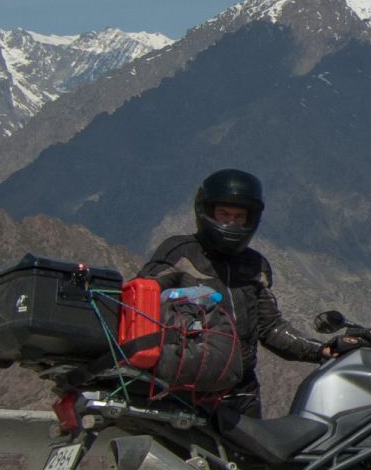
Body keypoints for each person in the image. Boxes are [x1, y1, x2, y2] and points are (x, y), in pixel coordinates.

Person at [138, 168, 352, 420]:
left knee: (262, 447)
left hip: (241, 395)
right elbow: (140, 303)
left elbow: (270, 328)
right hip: (183, 391)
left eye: (239, 216)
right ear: (206, 211)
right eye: (224, 214)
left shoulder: (255, 266)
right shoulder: (180, 253)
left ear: (251, 219)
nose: (231, 223)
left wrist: (321, 351)